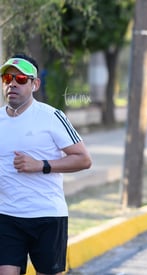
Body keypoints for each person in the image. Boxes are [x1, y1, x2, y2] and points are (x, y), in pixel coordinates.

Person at [0, 54, 92, 275]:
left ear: (35, 84)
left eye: (21, 78)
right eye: (7, 78)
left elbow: (83, 159)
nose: (12, 83)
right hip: (7, 216)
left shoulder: (51, 117)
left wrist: (41, 165)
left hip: (47, 216)